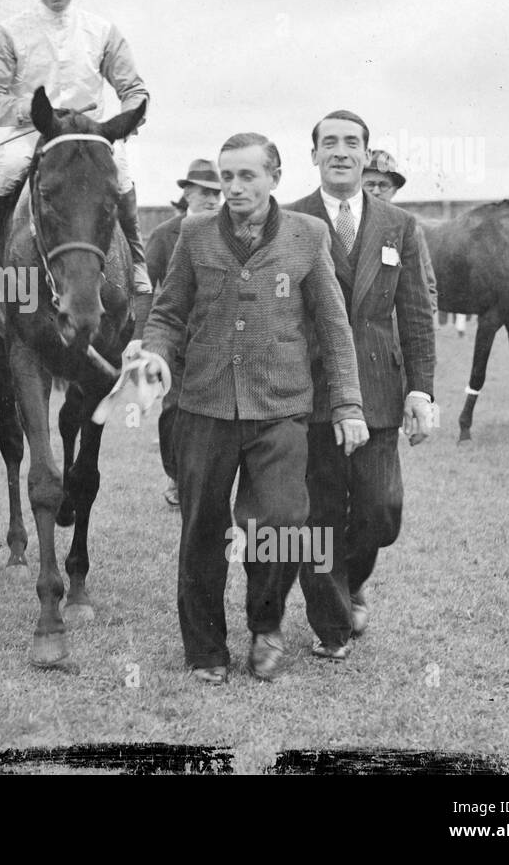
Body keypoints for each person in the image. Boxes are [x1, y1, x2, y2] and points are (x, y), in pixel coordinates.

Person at [136, 133, 366, 684]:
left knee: (282, 522)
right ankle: (205, 649)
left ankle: (266, 625)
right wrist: (156, 354)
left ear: (275, 178)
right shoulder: (194, 235)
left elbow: (335, 329)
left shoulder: (308, 236)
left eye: (247, 176)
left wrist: (349, 405)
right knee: (201, 531)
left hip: (281, 409)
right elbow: (168, 314)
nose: (234, 188)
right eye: (226, 177)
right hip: (205, 407)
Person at [277, 111, 436, 661]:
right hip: (309, 391)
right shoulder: (288, 218)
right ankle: (332, 624)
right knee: (317, 512)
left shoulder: (400, 226)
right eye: (329, 143)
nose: (341, 152)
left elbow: (415, 315)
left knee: (379, 511)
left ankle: (349, 577)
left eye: (352, 143)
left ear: (366, 155)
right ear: (314, 154)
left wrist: (421, 391)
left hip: (378, 390)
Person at [0, 0, 152, 324]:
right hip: (35, 134)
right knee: (7, 170)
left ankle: (135, 260)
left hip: (90, 138)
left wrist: (128, 120)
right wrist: (30, 112)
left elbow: (133, 89)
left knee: (121, 172)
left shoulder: (102, 31)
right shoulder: (9, 32)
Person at [144, 158, 223, 509]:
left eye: (217, 193)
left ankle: (205, 481)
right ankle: (176, 476)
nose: (212, 199)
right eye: (205, 192)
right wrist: (142, 340)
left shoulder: (230, 231)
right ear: (187, 192)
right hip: (176, 342)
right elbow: (145, 288)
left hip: (219, 340)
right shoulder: (164, 235)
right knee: (174, 409)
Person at [364, 148, 439, 315]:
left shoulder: (409, 230)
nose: (376, 191)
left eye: (383, 185)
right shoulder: (343, 227)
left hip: (394, 330)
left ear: (394, 190)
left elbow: (427, 289)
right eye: (369, 184)